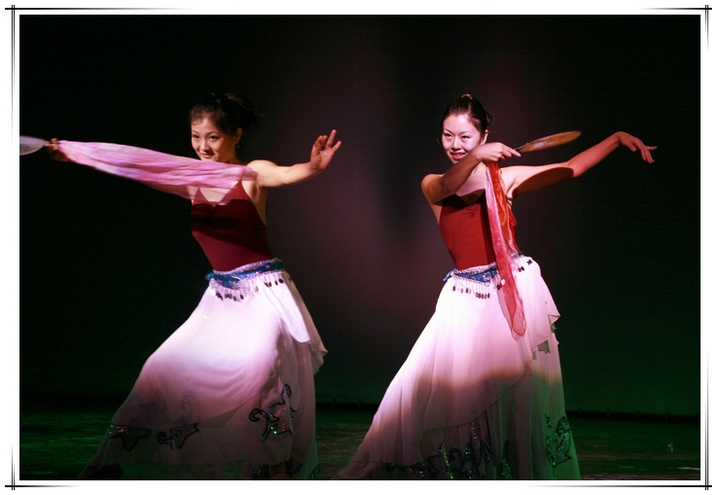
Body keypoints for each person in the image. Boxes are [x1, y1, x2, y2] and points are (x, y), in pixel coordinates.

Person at [335, 94, 655, 480]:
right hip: (466, 301)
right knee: (438, 393)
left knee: (515, 395)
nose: (455, 144)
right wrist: (476, 156)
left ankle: (511, 475)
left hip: (511, 295)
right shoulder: (432, 183)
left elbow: (571, 168)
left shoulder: (505, 180)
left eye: (465, 137)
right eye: (448, 135)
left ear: (484, 135)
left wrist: (615, 139)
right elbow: (449, 185)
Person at [44, 92, 341, 479]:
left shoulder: (251, 173)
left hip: (264, 294)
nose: (203, 147)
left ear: (236, 135)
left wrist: (313, 166)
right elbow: (136, 166)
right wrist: (77, 155)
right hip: (221, 299)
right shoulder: (190, 181)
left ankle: (272, 466)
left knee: (259, 368)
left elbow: (285, 173)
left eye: (213, 137)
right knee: (161, 368)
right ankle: (110, 462)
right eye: (196, 137)